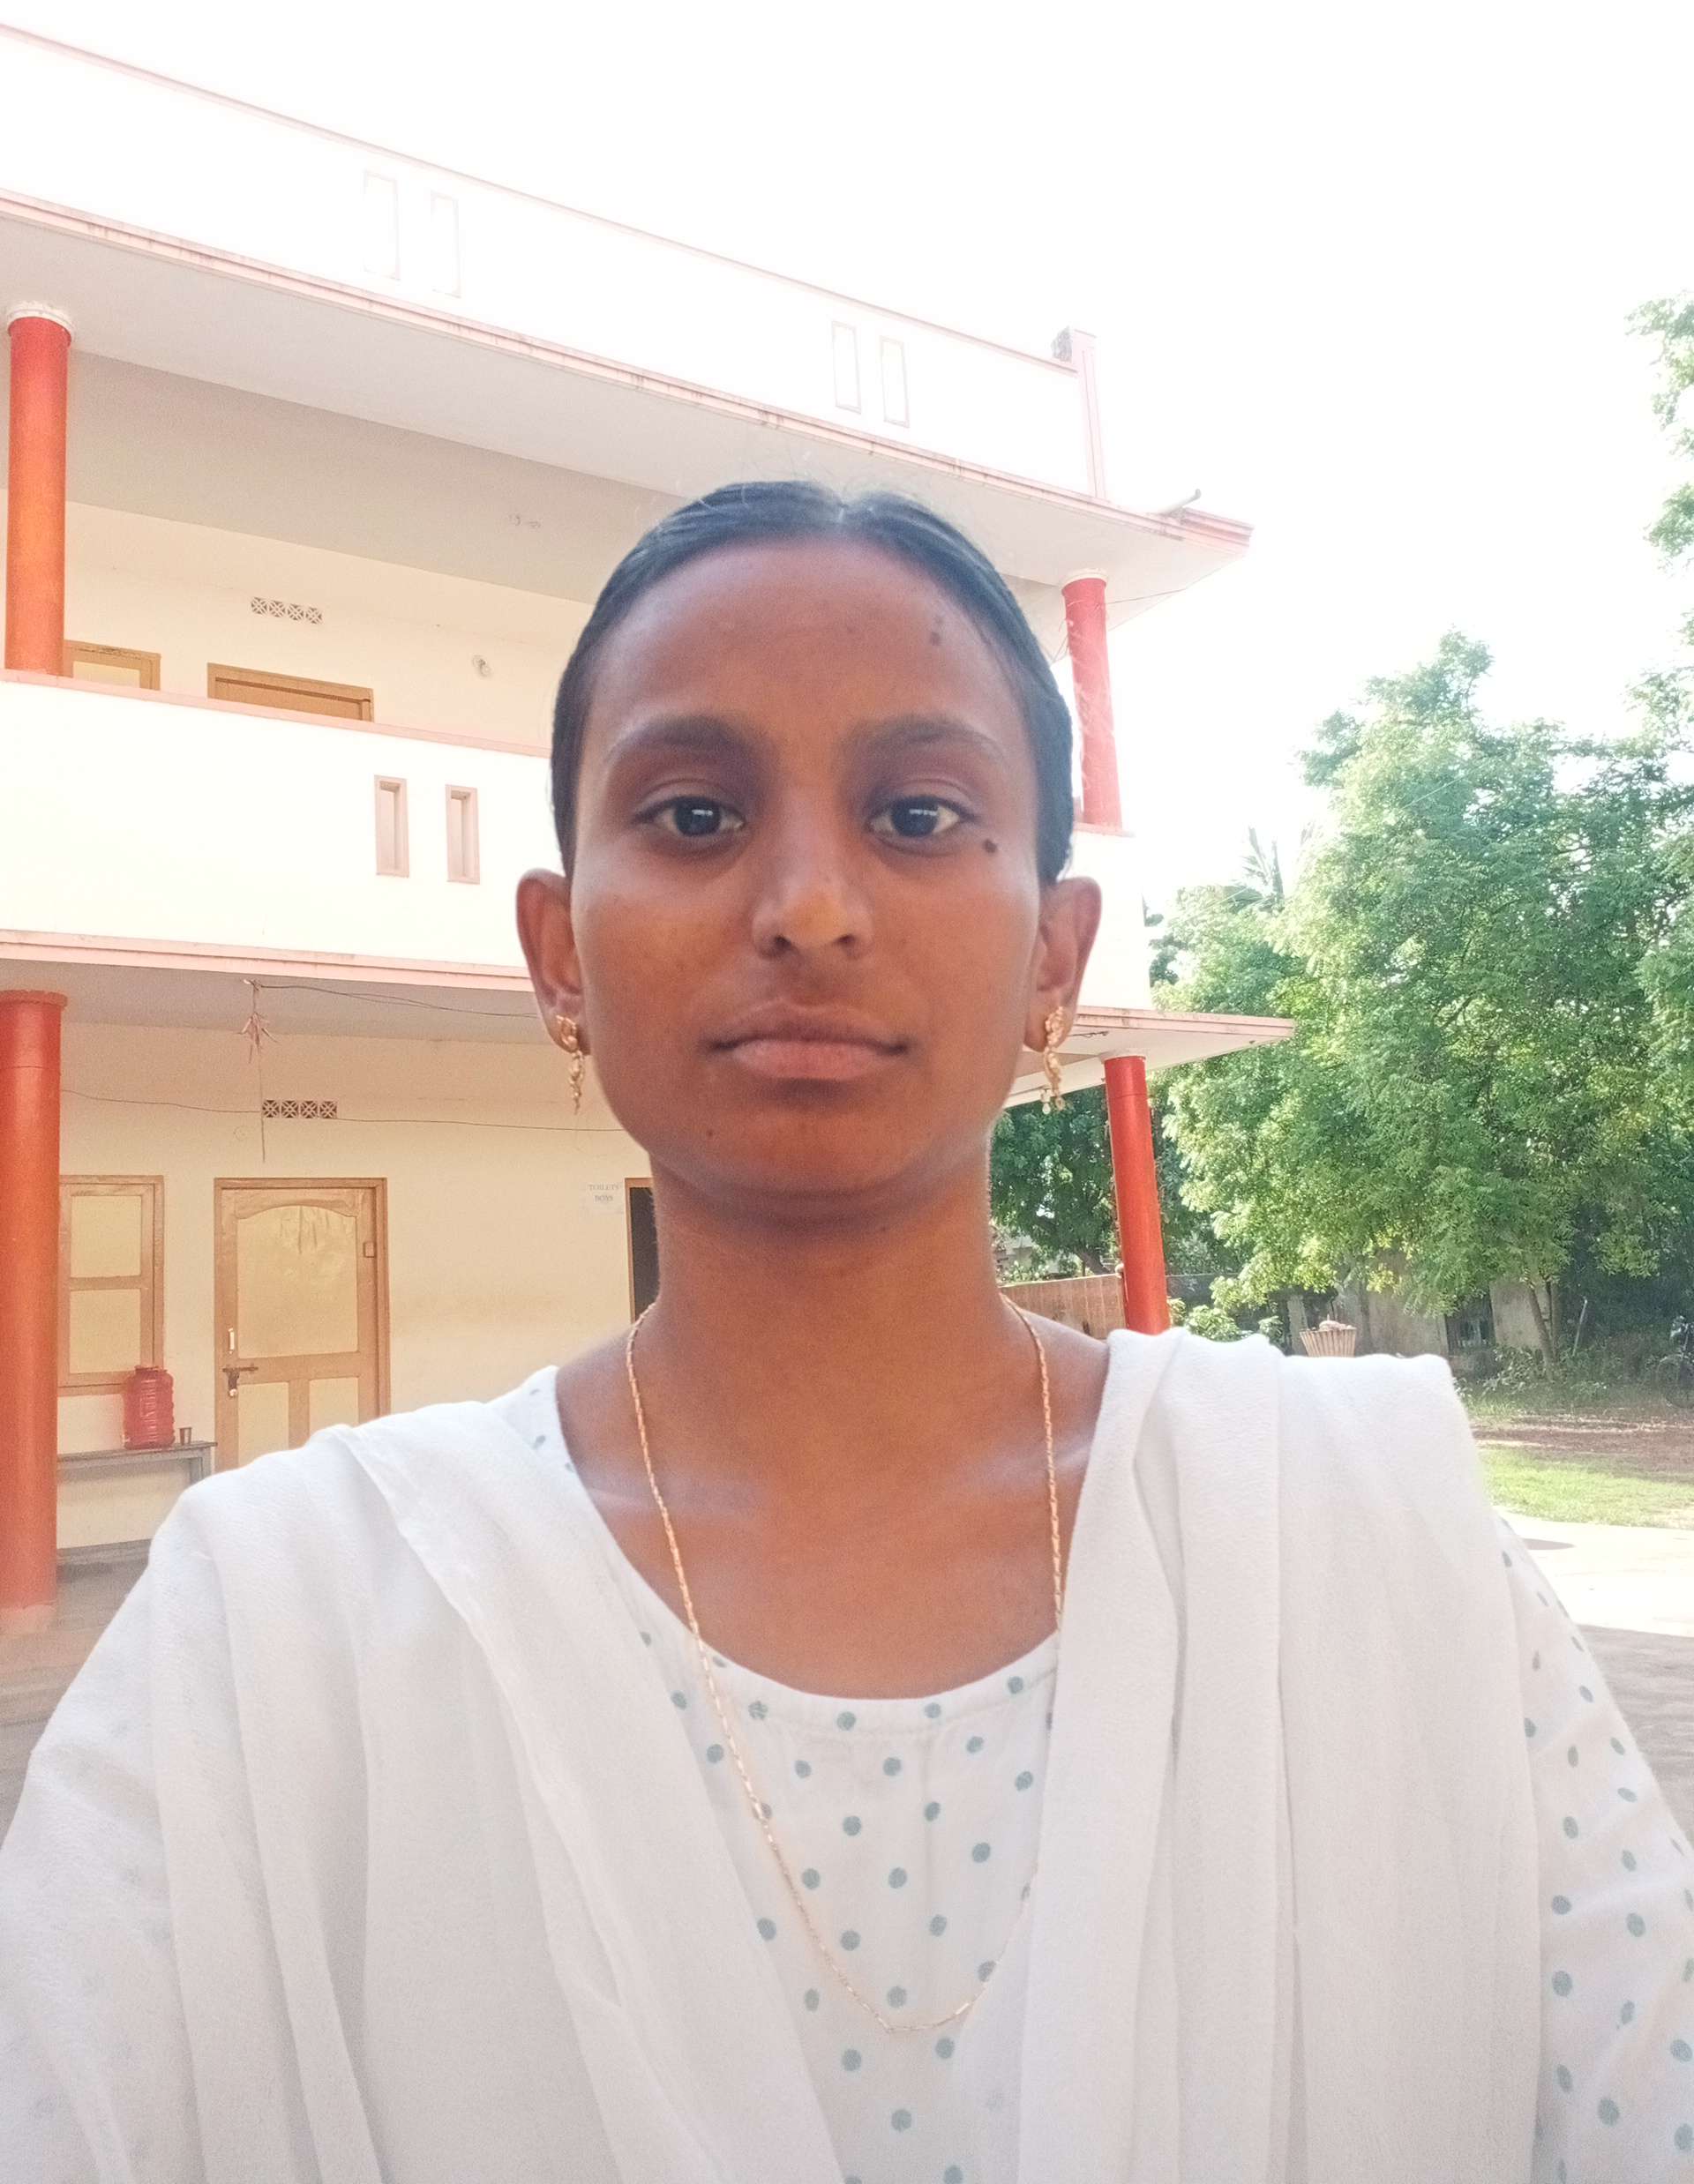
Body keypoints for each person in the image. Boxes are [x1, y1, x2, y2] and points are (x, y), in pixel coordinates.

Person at [2, 481, 1690, 2184]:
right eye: (693, 813)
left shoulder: (1368, 1540)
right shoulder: (273, 1634)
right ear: (557, 953)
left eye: (918, 813)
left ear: (1056, 956)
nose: (810, 905)